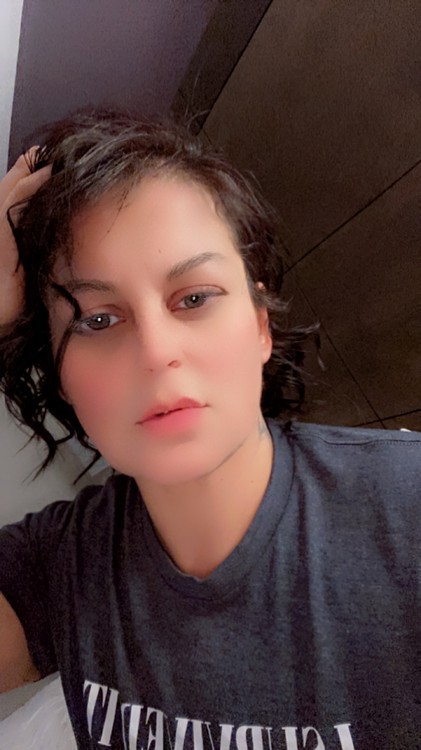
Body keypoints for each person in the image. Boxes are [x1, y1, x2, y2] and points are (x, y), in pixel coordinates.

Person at [0, 109, 419, 750]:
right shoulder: (60, 566)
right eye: (98, 320)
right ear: (62, 381)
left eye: (194, 298)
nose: (156, 352)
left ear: (260, 326)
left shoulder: (406, 507)